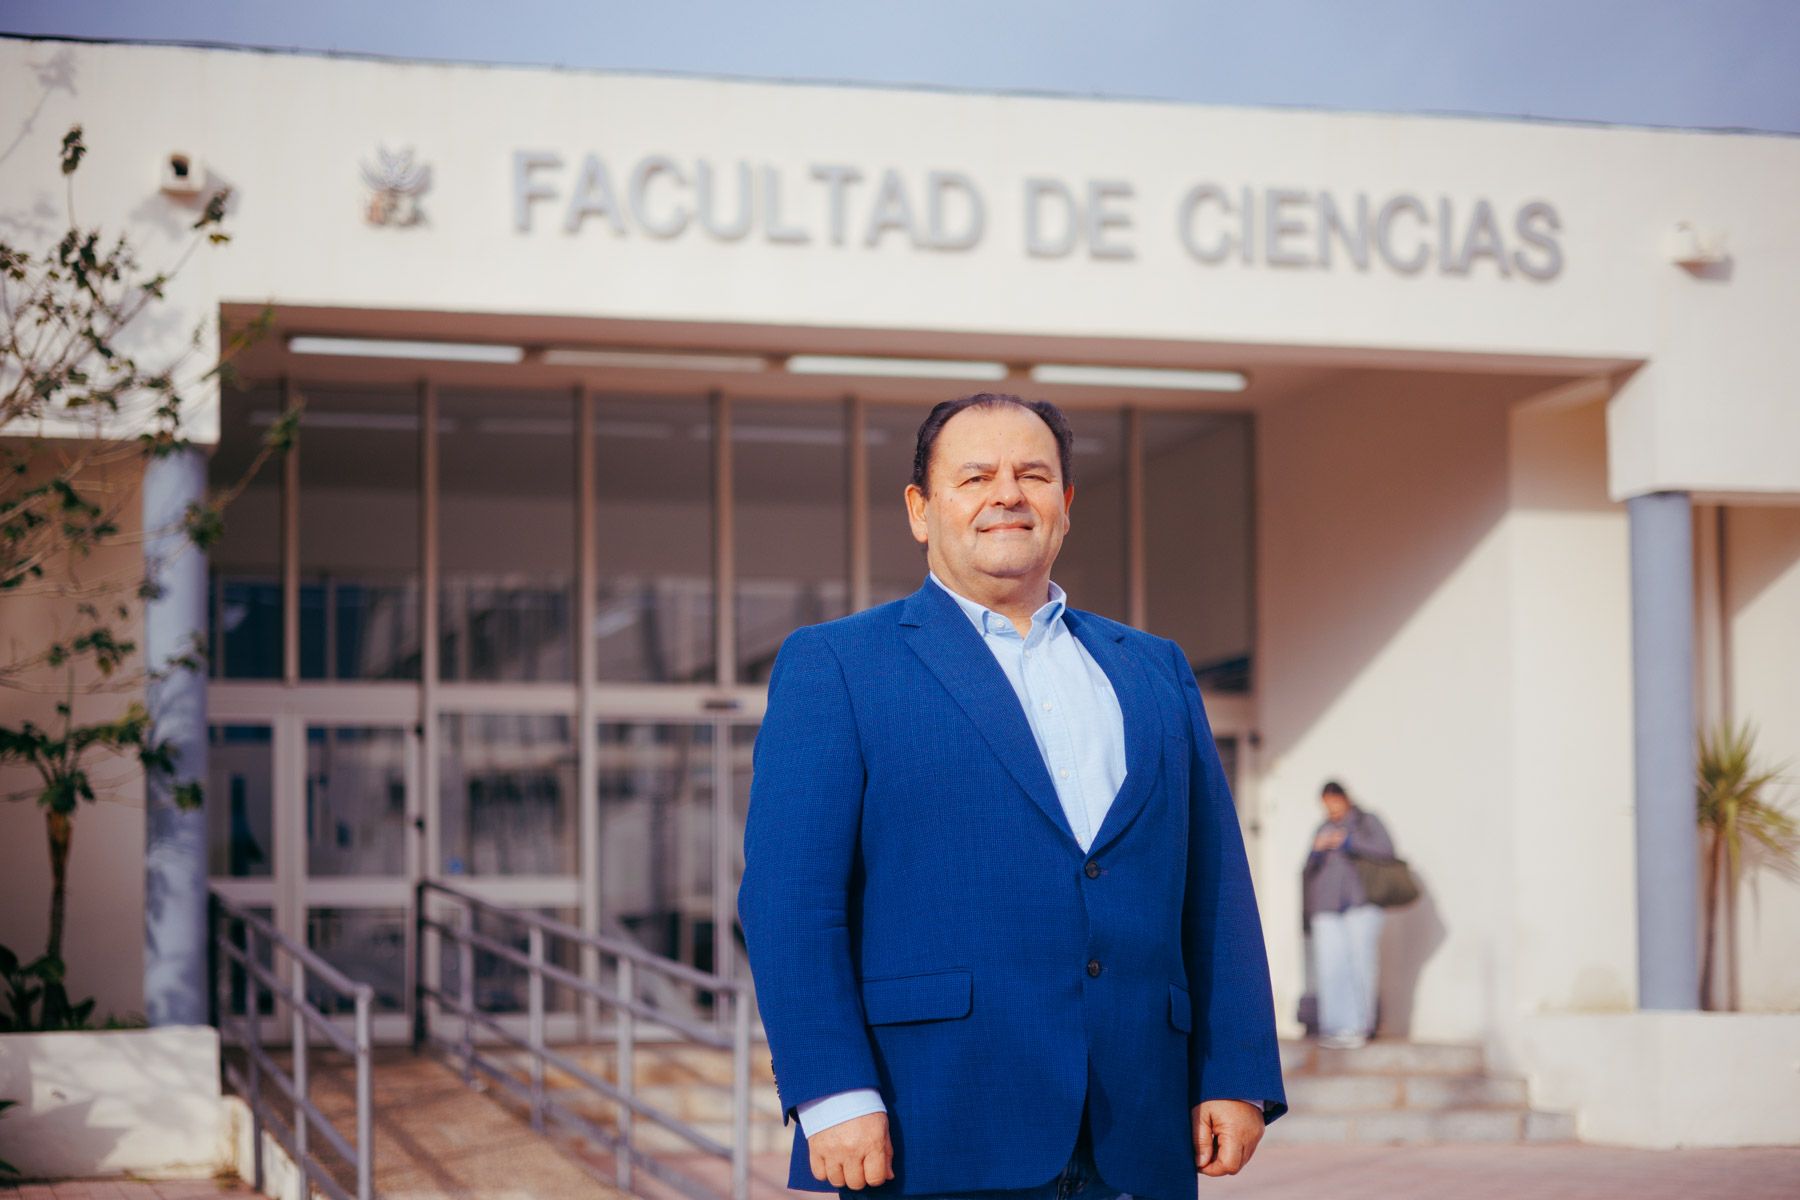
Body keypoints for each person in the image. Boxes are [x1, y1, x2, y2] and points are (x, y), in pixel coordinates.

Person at [737, 393, 1285, 1200]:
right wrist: (832, 1092)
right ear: (921, 511)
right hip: (930, 1123)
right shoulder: (838, 665)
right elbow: (791, 901)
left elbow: (1215, 891)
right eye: (975, 476)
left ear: (1064, 507)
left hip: (1138, 1127)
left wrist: (1235, 1069)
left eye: (1033, 474)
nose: (1007, 493)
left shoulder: (1154, 668)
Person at [1301, 780, 1396, 1050]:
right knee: (1331, 966)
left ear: (1344, 798)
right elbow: (1307, 869)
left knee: (1360, 963)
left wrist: (1349, 841)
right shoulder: (1322, 827)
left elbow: (1387, 850)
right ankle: (1334, 1026)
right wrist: (1317, 850)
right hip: (1326, 905)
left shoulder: (1367, 821)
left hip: (1360, 902)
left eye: (1334, 801)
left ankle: (1360, 1026)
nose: (1331, 808)